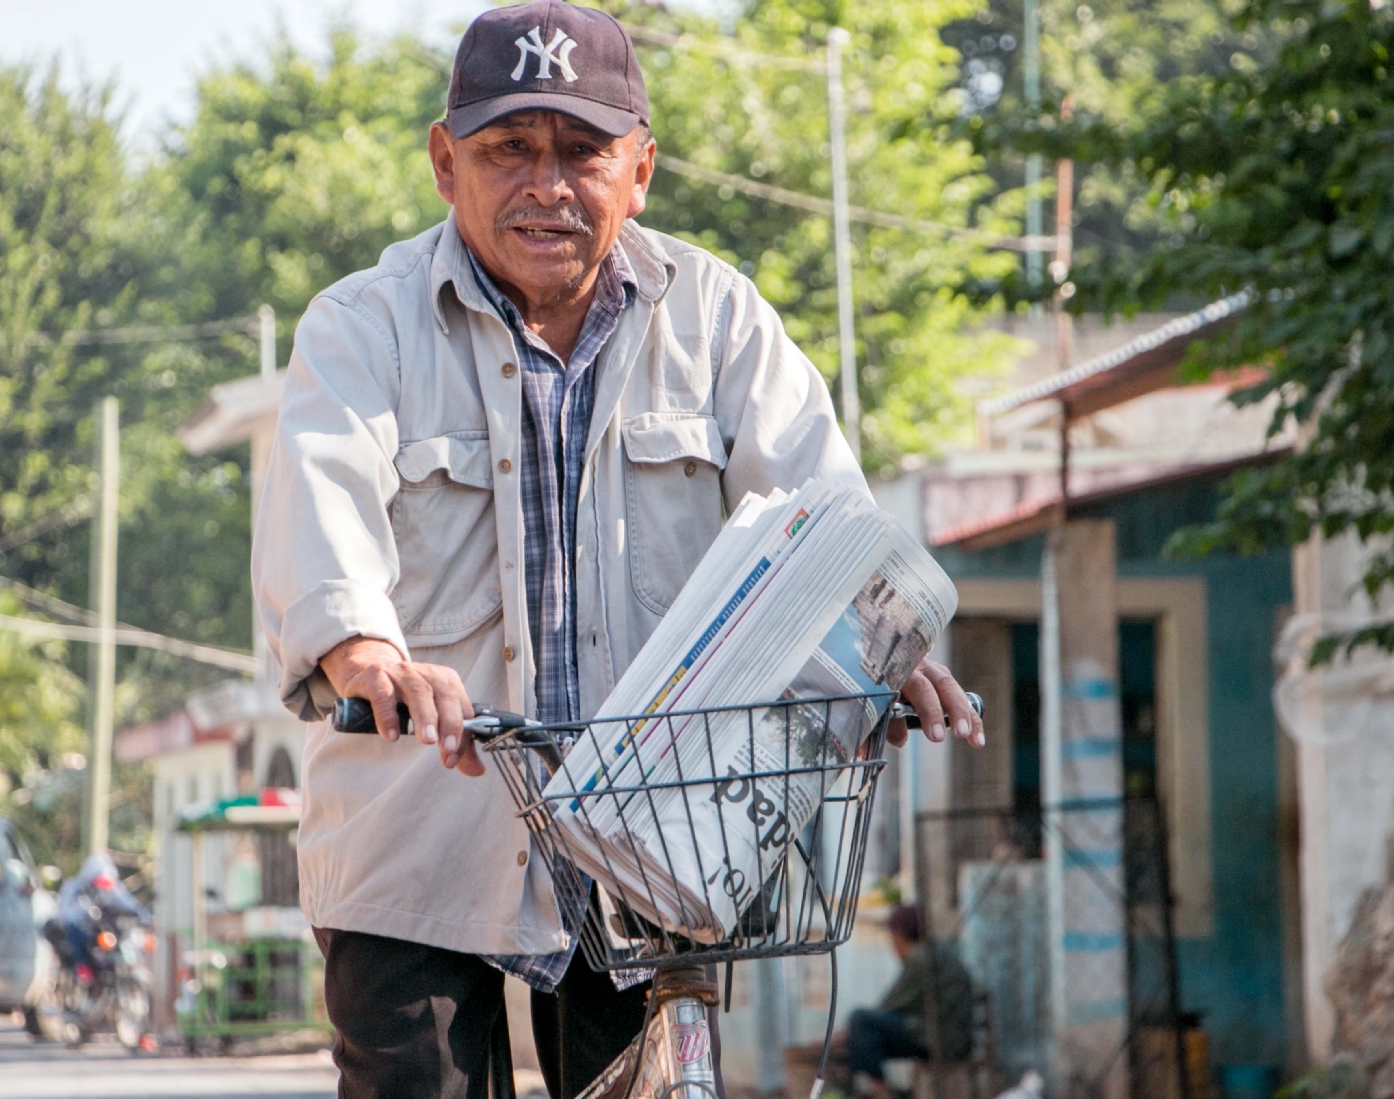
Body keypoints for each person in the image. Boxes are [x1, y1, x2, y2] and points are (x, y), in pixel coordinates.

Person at [250, 2, 986, 1096]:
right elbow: (322, 505)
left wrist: (881, 640)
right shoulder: (363, 327)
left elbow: (824, 519)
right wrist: (366, 654)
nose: (545, 184)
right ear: (445, 164)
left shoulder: (721, 321)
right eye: (509, 150)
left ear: (638, 171)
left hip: (655, 839)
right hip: (414, 829)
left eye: (582, 152)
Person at [846, 905, 976, 1097]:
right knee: (863, 1034)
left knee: (860, 1021)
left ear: (899, 936)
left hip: (941, 1040)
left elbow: (890, 1005)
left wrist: (847, 1032)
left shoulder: (920, 958)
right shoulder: (934, 953)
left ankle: (882, 1093)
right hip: (950, 1038)